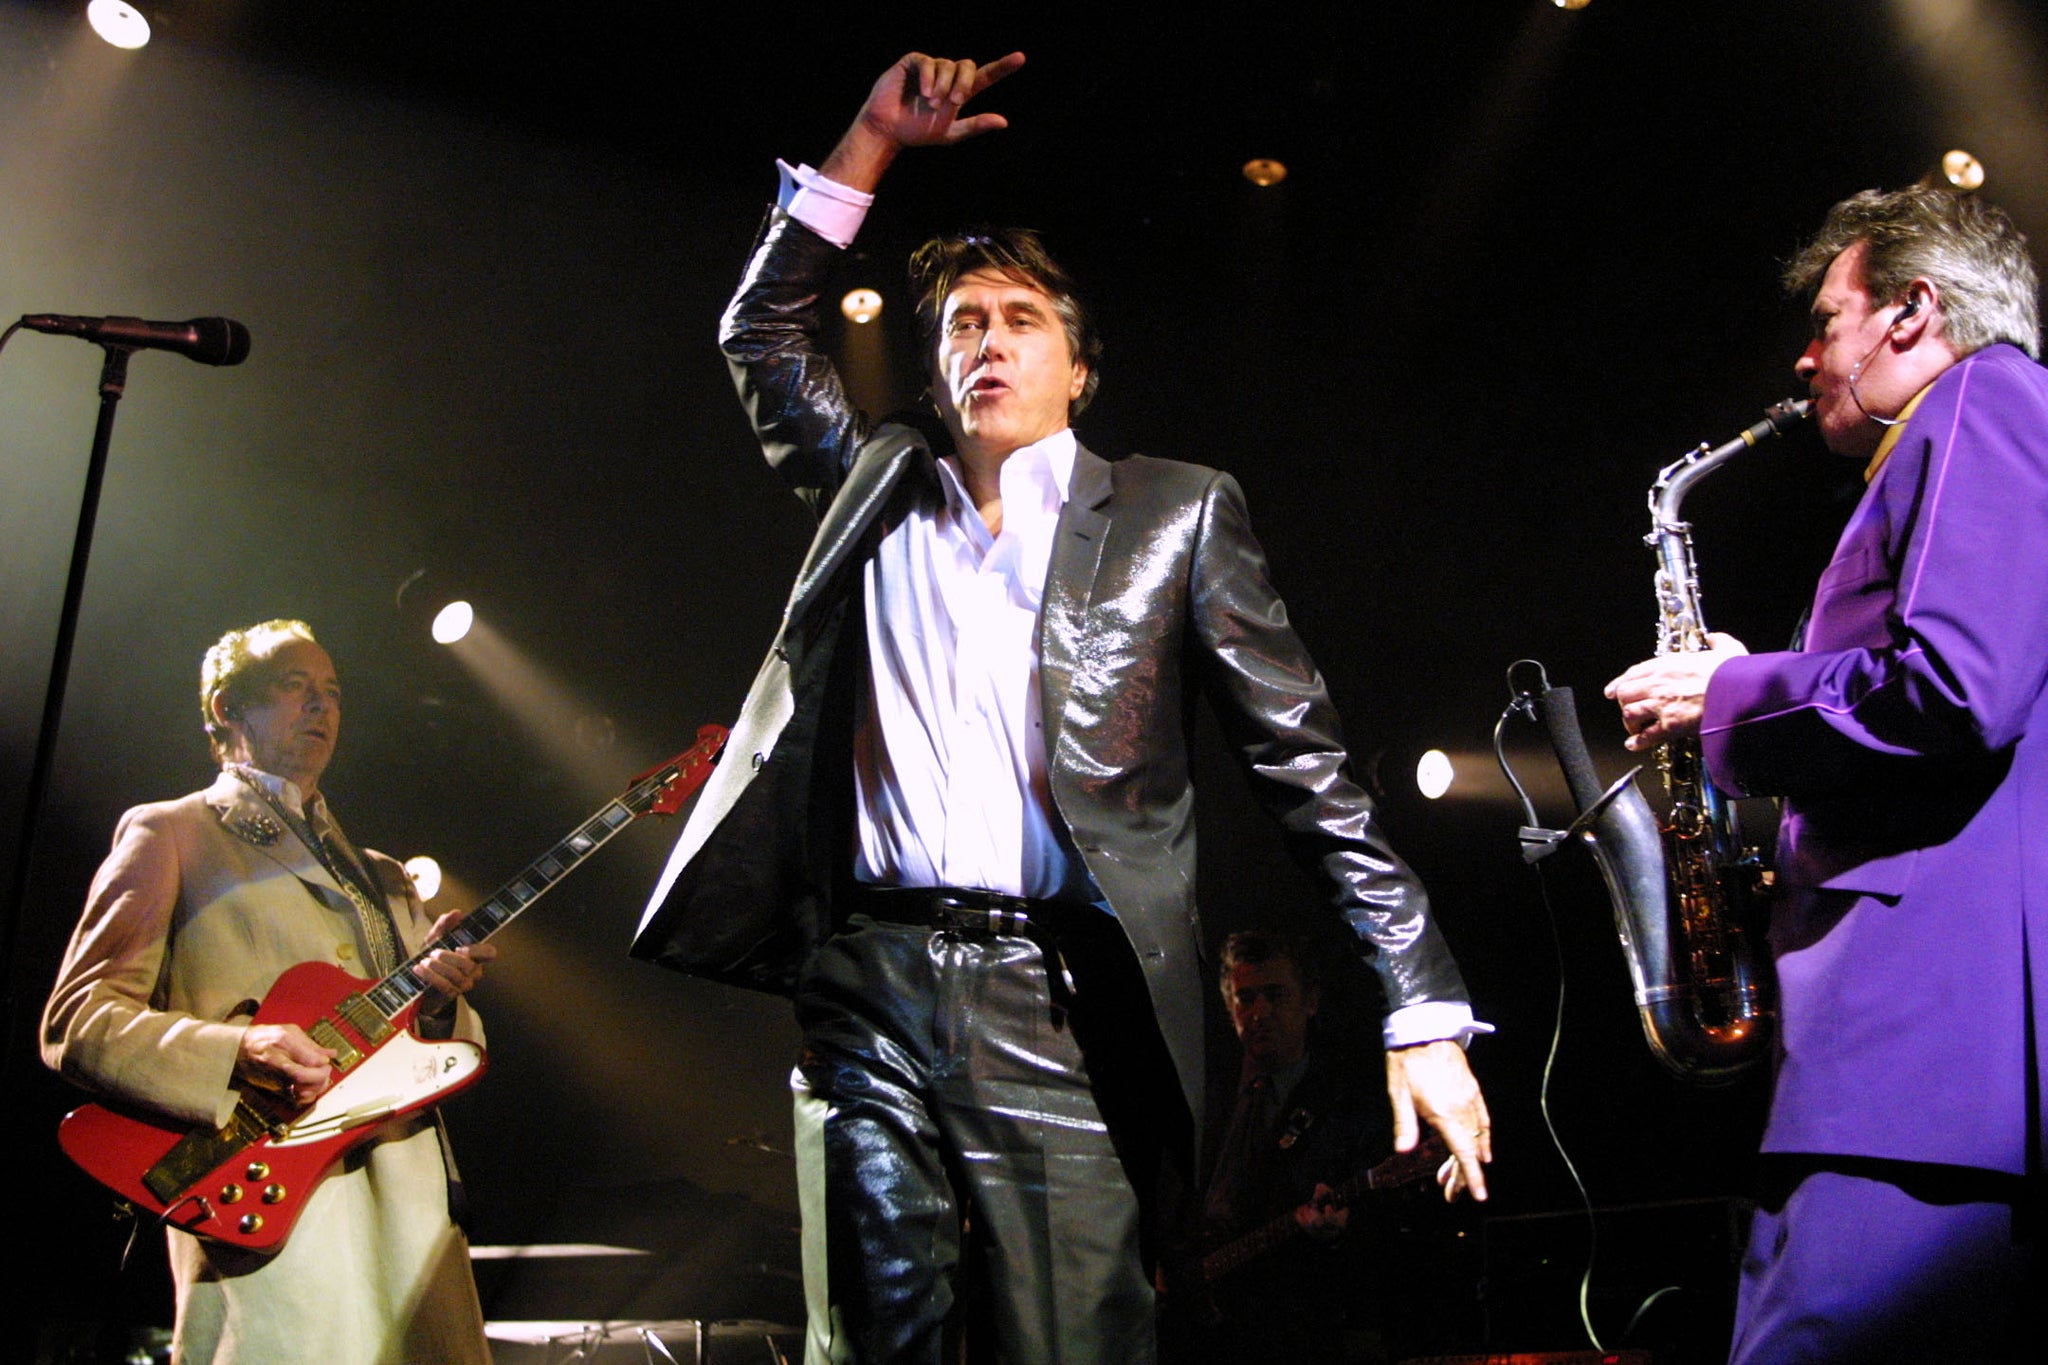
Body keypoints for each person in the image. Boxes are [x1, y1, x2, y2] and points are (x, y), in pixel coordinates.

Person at [631, 51, 1492, 1365]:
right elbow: (758, 330)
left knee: (1078, 1340)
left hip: (1065, 997)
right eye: (961, 322)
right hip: (872, 977)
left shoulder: (1173, 511)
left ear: (1082, 368)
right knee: (868, 1341)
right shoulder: (879, 484)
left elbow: (1306, 770)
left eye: (1019, 319)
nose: (984, 340)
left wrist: (1419, 1002)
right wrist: (871, 137)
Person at [1605, 186, 2047, 1360]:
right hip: (1910, 1069)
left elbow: (1957, 685)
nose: (1803, 358)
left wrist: (1732, 697)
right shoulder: (1945, 435)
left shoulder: (1981, 398)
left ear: (1911, 311)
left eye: (1824, 320)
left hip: (1917, 1068)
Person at [42, 620, 496, 1365]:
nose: (323, 707)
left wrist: (442, 999)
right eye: (296, 686)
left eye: (333, 693)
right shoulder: (172, 833)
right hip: (270, 1208)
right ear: (227, 708)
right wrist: (237, 1049)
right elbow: (76, 1017)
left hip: (415, 1223)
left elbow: (443, 1049)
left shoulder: (383, 873)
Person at [1164, 932, 1400, 1364]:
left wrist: (1336, 1236)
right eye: (1246, 998)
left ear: (1310, 1001)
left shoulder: (1347, 1104)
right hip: (1200, 1332)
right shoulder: (1204, 1097)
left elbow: (1382, 1241)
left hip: (1294, 1332)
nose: (1259, 1013)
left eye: (1275, 995)